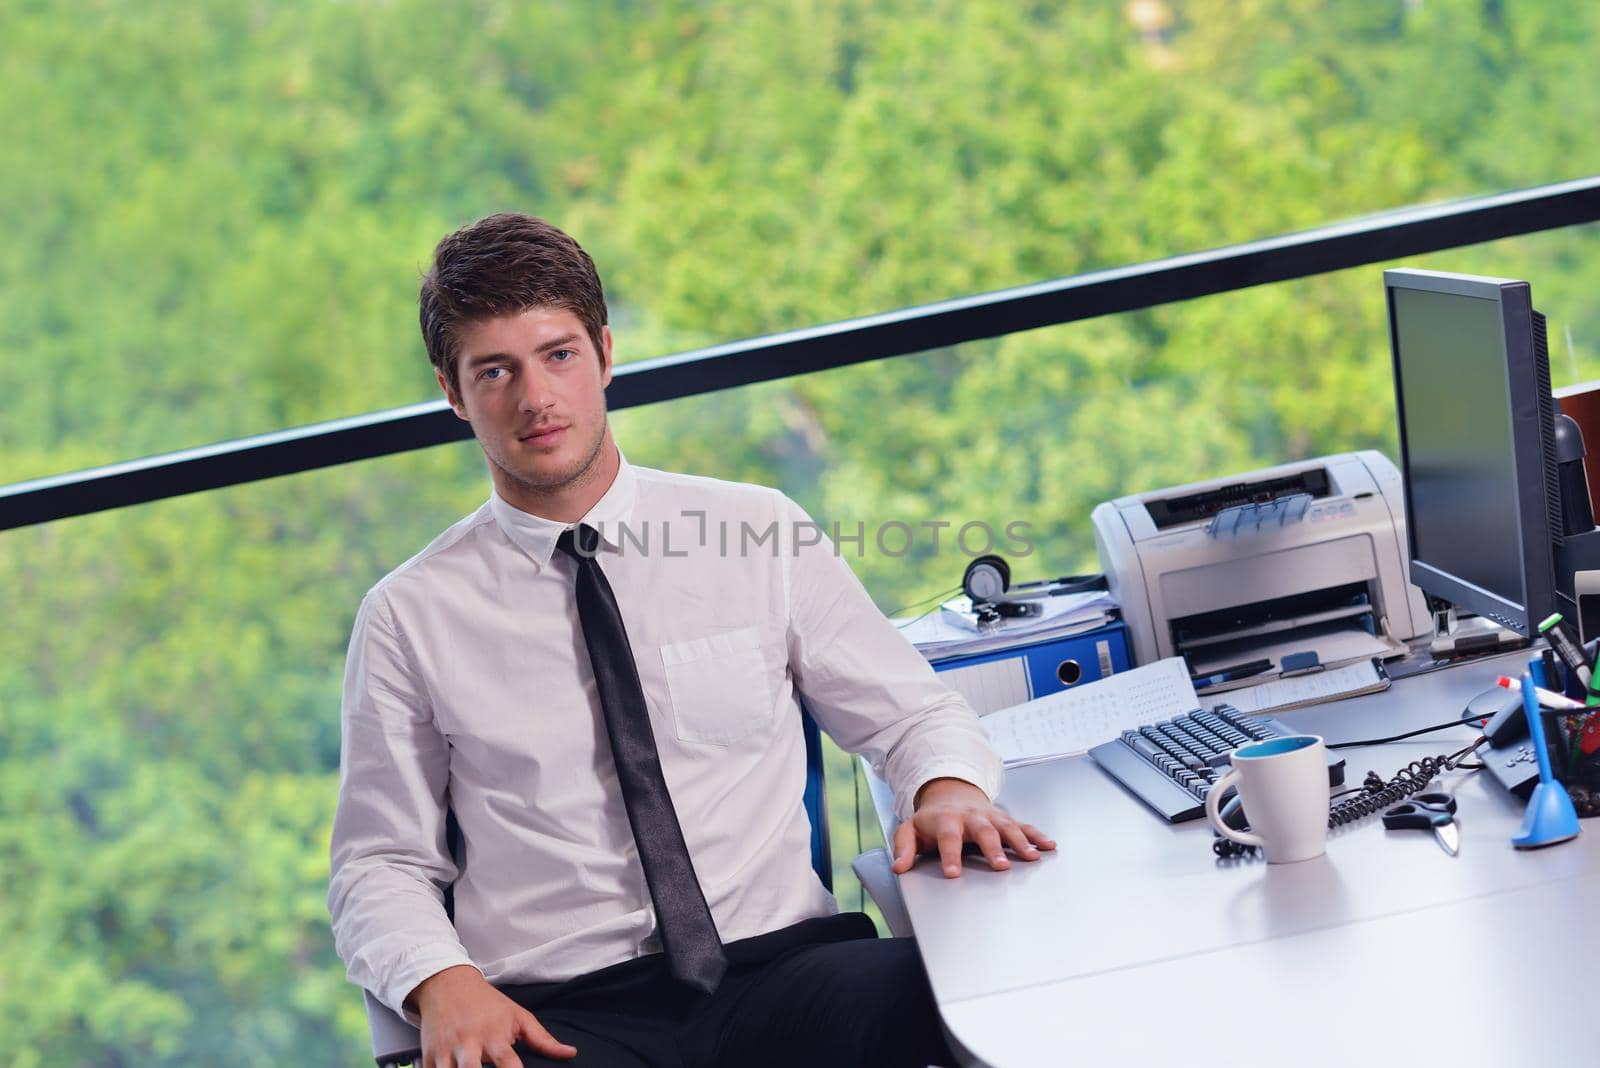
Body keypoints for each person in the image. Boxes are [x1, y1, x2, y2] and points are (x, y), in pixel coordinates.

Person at [327, 213, 1055, 1068]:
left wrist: (944, 788)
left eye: (558, 354)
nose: (536, 398)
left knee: (1013, 1003)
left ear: (604, 353)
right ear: (454, 394)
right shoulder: (407, 615)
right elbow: (377, 864)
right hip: (560, 1019)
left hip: (785, 974)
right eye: (496, 370)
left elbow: (911, 718)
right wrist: (441, 980)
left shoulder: (756, 532)